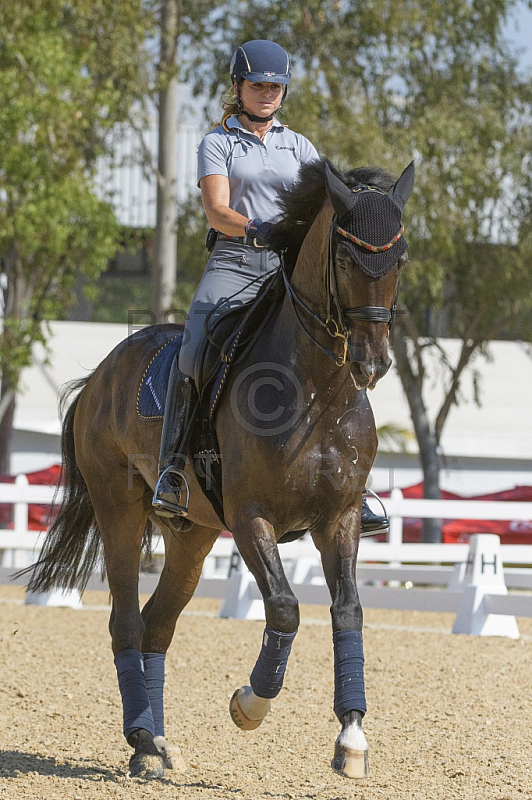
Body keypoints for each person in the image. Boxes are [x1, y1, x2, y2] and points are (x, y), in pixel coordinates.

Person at [152, 39, 389, 537]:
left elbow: (323, 211)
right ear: (237, 87)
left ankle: (355, 486)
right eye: (258, 85)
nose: (267, 93)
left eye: (275, 86)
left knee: (341, 351)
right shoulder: (218, 142)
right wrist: (256, 228)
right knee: (193, 351)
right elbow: (217, 210)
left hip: (287, 270)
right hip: (235, 262)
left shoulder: (300, 146)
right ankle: (173, 470)